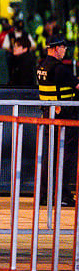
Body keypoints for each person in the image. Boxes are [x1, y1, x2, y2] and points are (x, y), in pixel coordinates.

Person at [36, 35, 79, 206]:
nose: (65, 51)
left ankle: (46, 194)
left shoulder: (41, 66)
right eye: (63, 48)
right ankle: (61, 195)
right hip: (64, 118)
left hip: (49, 115)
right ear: (56, 48)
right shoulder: (60, 69)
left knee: (50, 156)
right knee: (65, 157)